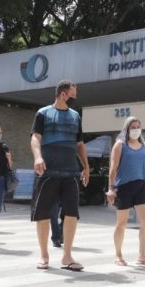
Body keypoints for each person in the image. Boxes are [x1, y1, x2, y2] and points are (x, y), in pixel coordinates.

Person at [30, 79, 90, 271]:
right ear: (63, 94)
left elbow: (79, 144)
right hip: (47, 172)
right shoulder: (43, 113)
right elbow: (35, 138)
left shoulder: (75, 116)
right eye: (73, 95)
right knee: (43, 214)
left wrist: (86, 167)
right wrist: (38, 157)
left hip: (71, 172)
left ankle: (67, 256)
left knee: (72, 213)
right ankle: (44, 256)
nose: (75, 99)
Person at [105, 116, 145, 268]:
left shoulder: (143, 145)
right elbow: (113, 168)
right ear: (127, 128)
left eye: (138, 126)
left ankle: (142, 255)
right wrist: (110, 188)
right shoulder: (120, 145)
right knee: (121, 223)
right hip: (124, 187)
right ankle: (118, 255)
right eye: (133, 127)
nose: (136, 129)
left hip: (140, 186)